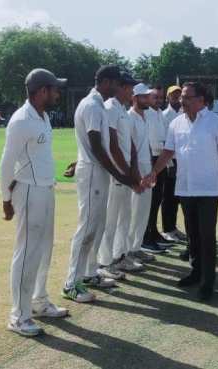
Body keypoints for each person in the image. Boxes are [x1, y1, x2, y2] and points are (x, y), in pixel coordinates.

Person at [144, 82, 218, 301]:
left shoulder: (217, 123)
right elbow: (167, 152)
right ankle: (196, 272)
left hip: (209, 188)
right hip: (185, 187)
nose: (182, 101)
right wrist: (154, 171)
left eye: (187, 97)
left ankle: (208, 281)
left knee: (206, 235)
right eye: (182, 97)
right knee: (192, 235)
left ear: (201, 100)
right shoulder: (176, 124)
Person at [0, 68, 69, 338]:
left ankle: (39, 301)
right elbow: (6, 162)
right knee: (27, 251)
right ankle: (18, 315)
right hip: (27, 190)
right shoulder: (21, 120)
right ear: (42, 91)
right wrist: (5, 199)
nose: (57, 93)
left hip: (46, 188)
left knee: (44, 249)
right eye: (54, 89)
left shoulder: (44, 116)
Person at [64, 65, 134, 303]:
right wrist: (119, 173)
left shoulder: (99, 106)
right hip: (93, 171)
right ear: (105, 81)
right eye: (116, 82)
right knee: (87, 227)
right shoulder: (93, 105)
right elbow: (96, 145)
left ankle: (89, 272)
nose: (118, 87)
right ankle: (71, 283)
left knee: (98, 225)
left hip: (97, 171)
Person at [97, 73, 145, 279]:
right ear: (120, 87)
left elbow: (130, 144)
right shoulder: (109, 108)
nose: (132, 92)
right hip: (116, 173)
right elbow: (112, 145)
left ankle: (120, 256)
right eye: (129, 88)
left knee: (124, 217)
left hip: (125, 172)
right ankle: (105, 262)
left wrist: (133, 170)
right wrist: (125, 172)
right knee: (111, 220)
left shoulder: (122, 111)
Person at [126, 83, 159, 261]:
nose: (148, 99)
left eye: (148, 96)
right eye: (144, 96)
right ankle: (128, 250)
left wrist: (153, 169)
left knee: (144, 211)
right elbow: (129, 150)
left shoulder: (146, 117)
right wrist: (136, 175)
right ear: (135, 98)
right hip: (136, 170)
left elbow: (145, 145)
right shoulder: (128, 118)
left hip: (147, 167)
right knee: (134, 211)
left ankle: (137, 246)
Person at [142, 85, 172, 251]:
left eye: (161, 98)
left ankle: (153, 232)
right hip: (151, 159)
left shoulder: (160, 114)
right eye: (155, 97)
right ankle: (146, 236)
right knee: (150, 201)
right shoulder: (146, 113)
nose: (159, 100)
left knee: (157, 199)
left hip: (161, 159)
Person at [160, 85, 187, 243]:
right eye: (173, 95)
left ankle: (173, 227)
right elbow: (165, 142)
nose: (177, 98)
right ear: (168, 97)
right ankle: (167, 229)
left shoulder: (185, 114)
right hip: (171, 161)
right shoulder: (165, 115)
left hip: (184, 161)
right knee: (168, 197)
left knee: (178, 197)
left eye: (179, 95)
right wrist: (169, 163)